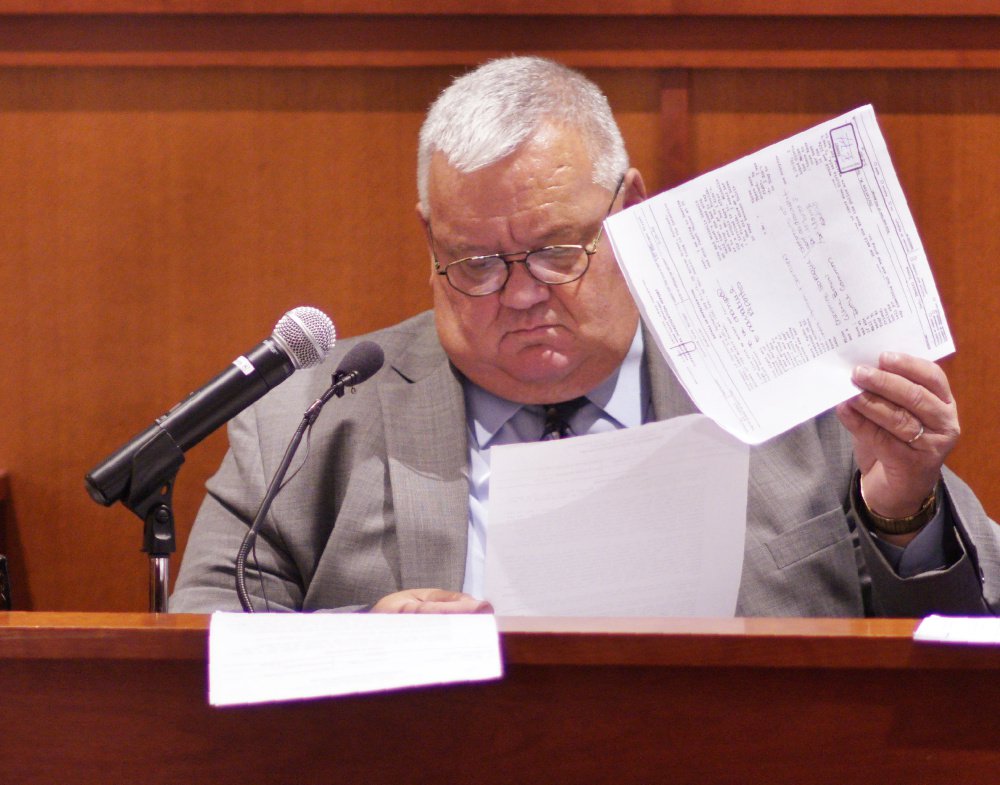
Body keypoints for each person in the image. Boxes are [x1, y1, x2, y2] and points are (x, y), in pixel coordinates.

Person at [171, 56, 1000, 616]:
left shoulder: (794, 383)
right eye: (476, 263)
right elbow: (198, 645)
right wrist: (359, 644)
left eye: (557, 251)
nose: (521, 293)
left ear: (630, 208)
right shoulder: (308, 420)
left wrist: (905, 511)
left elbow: (965, 645)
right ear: (430, 237)